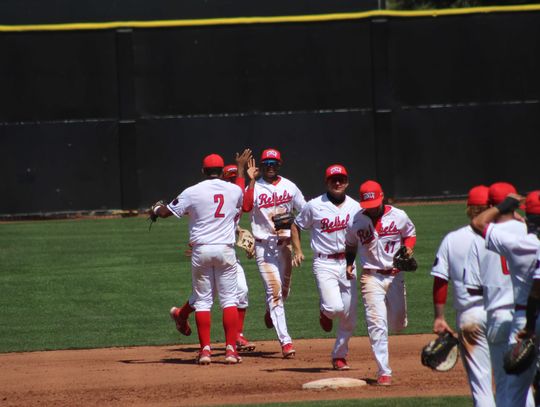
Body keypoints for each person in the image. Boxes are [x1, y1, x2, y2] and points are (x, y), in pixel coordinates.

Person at [152, 153, 243, 365]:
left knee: (203, 301)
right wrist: (240, 172)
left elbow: (166, 212)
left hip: (201, 250)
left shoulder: (192, 191)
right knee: (229, 300)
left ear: (203, 171)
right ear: (221, 172)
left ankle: (205, 352)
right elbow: (242, 201)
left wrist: (155, 209)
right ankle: (230, 351)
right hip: (225, 249)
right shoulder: (234, 189)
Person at [170, 150, 256, 352]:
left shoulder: (229, 191)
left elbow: (246, 207)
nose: (234, 180)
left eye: (236, 177)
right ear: (224, 176)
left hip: (222, 248)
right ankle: (185, 316)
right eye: (231, 177)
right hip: (218, 248)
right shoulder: (231, 191)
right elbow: (242, 205)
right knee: (213, 296)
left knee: (235, 292)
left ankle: (233, 336)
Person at [463, 182, 531, 407]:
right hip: (530, 317)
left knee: (507, 387)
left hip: (499, 319)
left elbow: (472, 286)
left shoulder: (481, 237)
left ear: (491, 205)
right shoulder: (529, 231)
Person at [345, 180, 416, 386]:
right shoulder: (356, 220)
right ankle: (384, 371)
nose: (372, 209)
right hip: (371, 277)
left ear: (382, 196)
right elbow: (350, 244)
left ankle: (397, 321)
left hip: (395, 275)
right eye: (368, 205)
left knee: (397, 324)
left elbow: (409, 234)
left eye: (374, 203)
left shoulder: (399, 215)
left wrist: (409, 249)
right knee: (377, 325)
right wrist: (349, 264)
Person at [291, 164, 360, 370]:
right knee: (335, 308)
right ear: (327, 182)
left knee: (349, 316)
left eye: (341, 179)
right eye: (333, 179)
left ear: (347, 182)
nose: (337, 182)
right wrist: (297, 250)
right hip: (324, 262)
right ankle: (324, 311)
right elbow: (296, 224)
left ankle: (339, 356)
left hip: (348, 262)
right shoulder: (314, 205)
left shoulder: (356, 207)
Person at [431, 185, 494, 406]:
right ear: (492, 207)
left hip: (470, 318)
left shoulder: (453, 239)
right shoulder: (509, 237)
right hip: (506, 314)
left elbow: (440, 279)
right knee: (516, 381)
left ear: (468, 208)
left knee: (481, 385)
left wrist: (439, 317)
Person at [242, 148, 306, 358]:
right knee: (275, 291)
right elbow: (246, 206)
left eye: (273, 163)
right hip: (264, 247)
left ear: (279, 165)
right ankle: (286, 342)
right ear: (261, 165)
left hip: (285, 246)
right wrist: (250, 180)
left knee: (284, 292)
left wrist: (298, 246)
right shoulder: (255, 186)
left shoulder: (289, 186)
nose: (270, 167)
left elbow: (305, 211)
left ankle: (271, 313)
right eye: (266, 163)